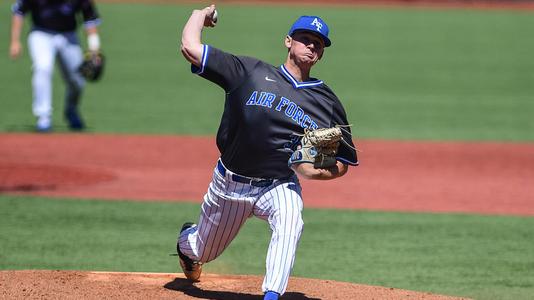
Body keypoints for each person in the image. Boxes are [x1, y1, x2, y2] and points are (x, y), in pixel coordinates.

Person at [177, 5, 358, 300]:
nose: (311, 45)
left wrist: (314, 171)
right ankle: (187, 242)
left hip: (279, 184)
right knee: (202, 250)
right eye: (305, 38)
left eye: (318, 43)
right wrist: (199, 15)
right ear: (288, 41)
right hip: (230, 185)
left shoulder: (327, 102)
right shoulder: (249, 72)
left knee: (291, 219)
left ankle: (272, 295)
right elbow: (190, 47)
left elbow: (341, 163)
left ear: (322, 53)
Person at [9, 0, 102, 132]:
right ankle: (43, 117)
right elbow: (19, 12)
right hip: (41, 34)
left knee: (77, 80)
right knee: (42, 68)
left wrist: (94, 49)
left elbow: (90, 19)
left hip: (68, 35)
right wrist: (15, 41)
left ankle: (71, 110)